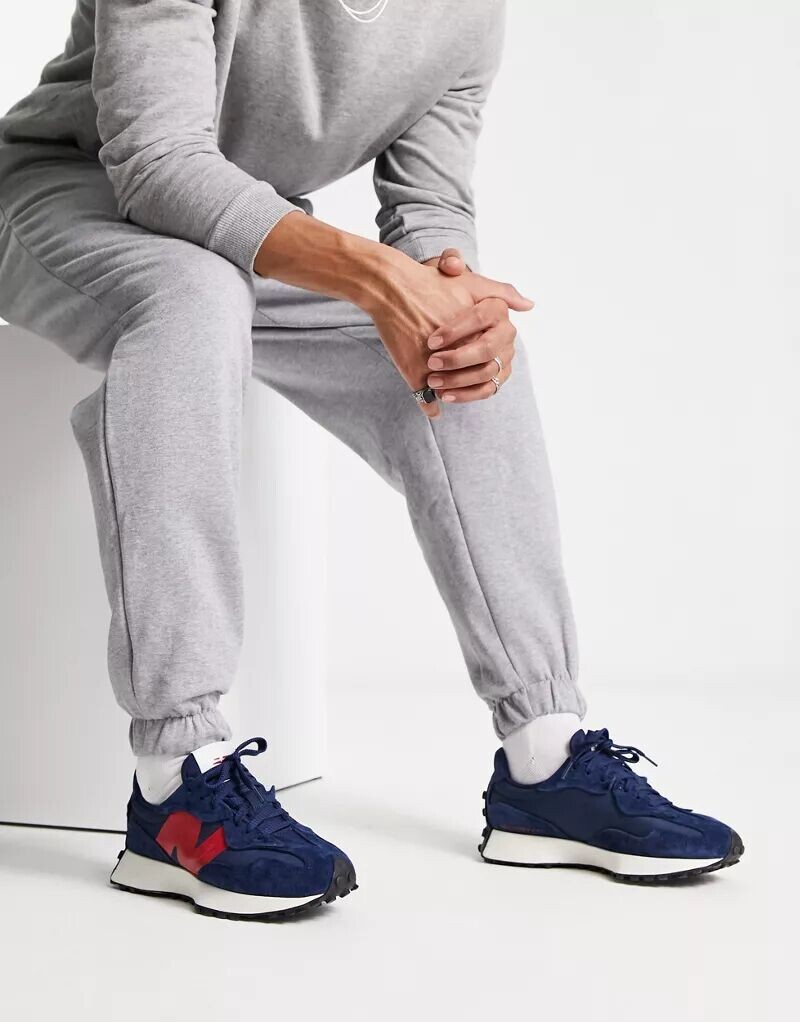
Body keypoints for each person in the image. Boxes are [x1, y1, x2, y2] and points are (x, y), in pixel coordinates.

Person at [0, 0, 742, 920]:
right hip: (66, 199)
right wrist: (376, 276)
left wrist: (447, 288)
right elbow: (156, 164)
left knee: (469, 349)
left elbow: (429, 206)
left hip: (250, 235)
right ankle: (175, 782)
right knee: (193, 297)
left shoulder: (465, 16)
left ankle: (546, 758)